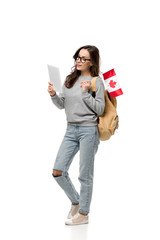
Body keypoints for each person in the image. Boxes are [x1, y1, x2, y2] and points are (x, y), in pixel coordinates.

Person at [47, 45, 105, 225]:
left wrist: (87, 92)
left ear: (92, 62)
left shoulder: (96, 81)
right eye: (78, 57)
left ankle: (84, 214)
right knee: (58, 171)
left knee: (85, 175)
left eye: (83, 59)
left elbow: (100, 109)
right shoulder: (70, 79)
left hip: (89, 130)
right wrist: (54, 95)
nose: (79, 61)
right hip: (70, 130)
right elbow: (63, 104)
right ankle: (76, 201)